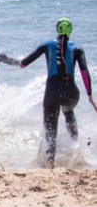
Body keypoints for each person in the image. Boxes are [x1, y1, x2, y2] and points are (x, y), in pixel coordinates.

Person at [20, 18, 97, 168]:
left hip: (52, 92)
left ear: (57, 30)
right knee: (68, 112)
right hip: (71, 93)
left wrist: (18, 62)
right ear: (70, 31)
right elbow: (84, 72)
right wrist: (90, 96)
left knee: (50, 129)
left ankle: (50, 163)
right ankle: (76, 148)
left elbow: (24, 63)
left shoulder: (46, 45)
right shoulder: (77, 48)